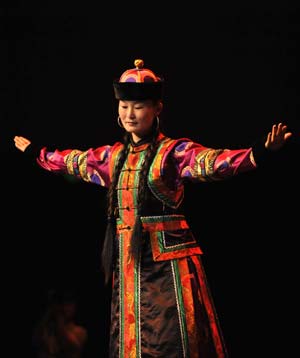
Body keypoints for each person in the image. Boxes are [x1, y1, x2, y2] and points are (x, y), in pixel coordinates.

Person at [14, 59, 292, 358]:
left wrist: (258, 152)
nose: (130, 113)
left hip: (168, 263)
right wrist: (36, 153)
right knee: (132, 337)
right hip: (131, 261)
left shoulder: (172, 152)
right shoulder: (112, 156)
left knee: (171, 336)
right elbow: (74, 161)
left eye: (138, 106)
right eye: (124, 106)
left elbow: (213, 162)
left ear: (157, 109)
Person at [32, 289, 88, 358]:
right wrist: (50, 312)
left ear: (74, 307)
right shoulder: (47, 329)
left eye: (69, 304)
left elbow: (67, 344)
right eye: (62, 304)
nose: (65, 307)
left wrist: (59, 318)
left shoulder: (80, 331)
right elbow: (36, 341)